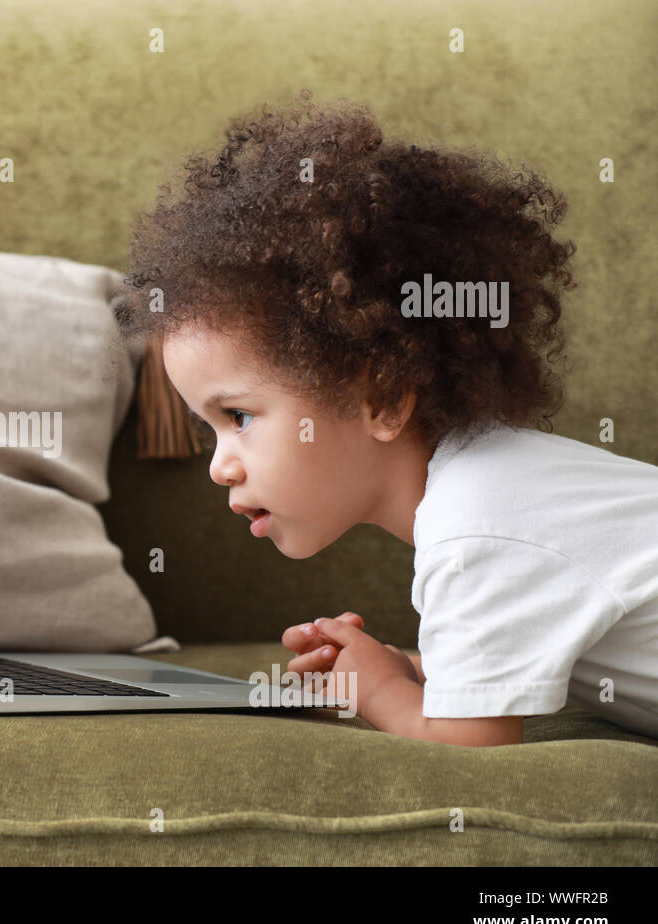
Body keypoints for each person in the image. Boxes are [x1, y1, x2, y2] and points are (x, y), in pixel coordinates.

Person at [114, 90, 658, 746]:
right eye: (210, 430)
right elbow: (497, 679)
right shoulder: (490, 488)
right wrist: (405, 670)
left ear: (386, 398)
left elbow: (474, 746)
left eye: (239, 416)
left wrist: (376, 692)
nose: (220, 466)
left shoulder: (476, 529)